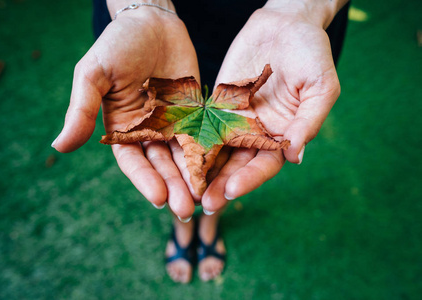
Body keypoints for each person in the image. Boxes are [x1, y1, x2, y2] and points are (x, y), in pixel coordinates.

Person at [52, 0, 349, 283]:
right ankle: (184, 223)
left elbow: (259, 85)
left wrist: (301, 9)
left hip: (269, 34)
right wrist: (142, 7)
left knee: (219, 168)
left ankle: (208, 219)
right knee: (175, 172)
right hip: (154, 38)